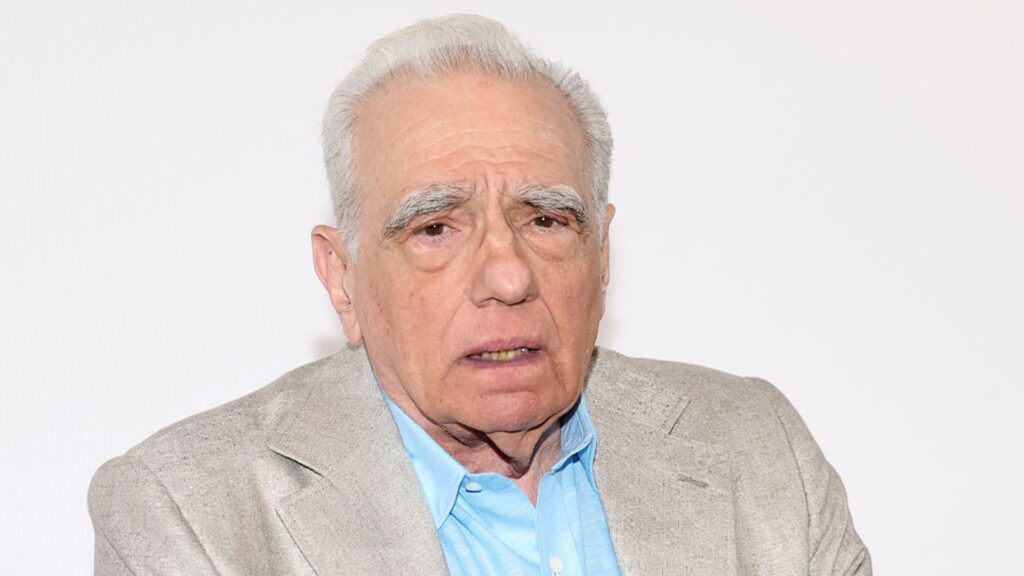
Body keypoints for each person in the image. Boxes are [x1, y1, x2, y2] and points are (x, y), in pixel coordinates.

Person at [88, 14, 871, 576]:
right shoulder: (188, 514)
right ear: (341, 277)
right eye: (435, 227)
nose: (508, 277)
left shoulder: (758, 449)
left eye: (547, 219)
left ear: (602, 254)